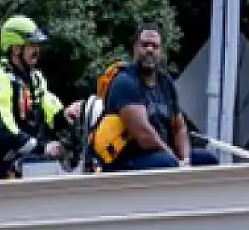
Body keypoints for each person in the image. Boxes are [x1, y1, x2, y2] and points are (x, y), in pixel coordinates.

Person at [92, 28, 220, 171]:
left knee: (207, 159)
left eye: (155, 46)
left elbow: (179, 127)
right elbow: (144, 135)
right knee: (167, 163)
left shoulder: (166, 82)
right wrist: (177, 163)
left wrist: (186, 160)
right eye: (145, 45)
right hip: (128, 159)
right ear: (135, 48)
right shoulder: (125, 82)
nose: (149, 50)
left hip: (161, 155)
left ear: (161, 51)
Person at [0, 15, 81, 179]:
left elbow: (51, 112)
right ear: (16, 49)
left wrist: (67, 114)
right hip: (0, 165)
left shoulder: (35, 79)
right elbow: (4, 131)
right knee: (49, 167)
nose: (37, 51)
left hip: (23, 158)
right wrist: (42, 148)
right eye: (32, 45)